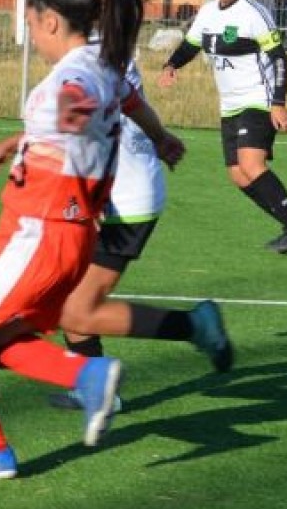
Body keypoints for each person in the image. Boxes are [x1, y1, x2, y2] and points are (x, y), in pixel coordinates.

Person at [0, 0, 182, 480]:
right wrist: (158, 137)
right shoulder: (104, 63)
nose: (31, 39)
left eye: (30, 26)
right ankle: (86, 378)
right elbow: (129, 104)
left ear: (49, 20)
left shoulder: (78, 75)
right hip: (65, 235)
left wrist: (68, 128)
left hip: (37, 230)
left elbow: (76, 108)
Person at [45, 54, 234, 414]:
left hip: (120, 199)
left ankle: (194, 326)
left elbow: (88, 126)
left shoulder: (92, 53)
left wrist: (86, 196)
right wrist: (159, 138)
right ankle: (91, 384)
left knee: (75, 310)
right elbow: (127, 104)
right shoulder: (97, 47)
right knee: (70, 293)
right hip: (117, 190)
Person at [158, 0, 287, 254]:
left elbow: (279, 58)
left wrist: (278, 102)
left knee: (251, 164)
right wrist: (171, 64)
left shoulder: (253, 12)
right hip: (229, 105)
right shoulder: (208, 12)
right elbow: (190, 45)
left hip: (258, 99)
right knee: (238, 175)